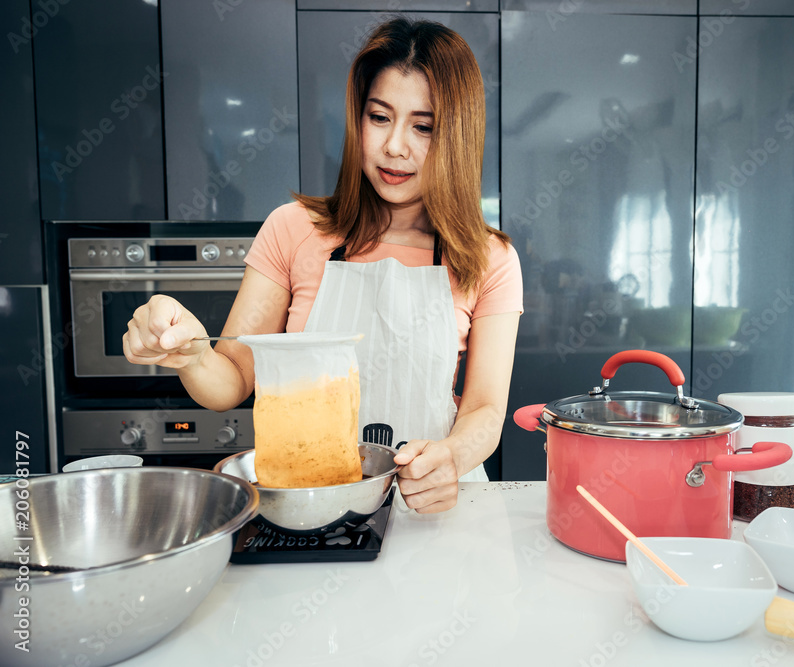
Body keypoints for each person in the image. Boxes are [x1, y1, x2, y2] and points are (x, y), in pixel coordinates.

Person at [122, 17, 522, 514]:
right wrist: (188, 353)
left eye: (423, 126)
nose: (395, 145)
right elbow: (229, 380)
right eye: (380, 117)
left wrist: (453, 457)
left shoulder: (489, 258)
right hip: (309, 507)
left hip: (434, 504)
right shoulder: (293, 229)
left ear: (457, 136)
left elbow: (484, 408)